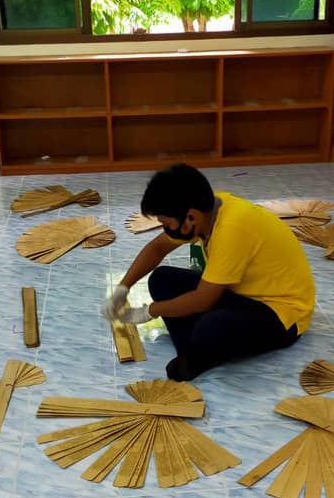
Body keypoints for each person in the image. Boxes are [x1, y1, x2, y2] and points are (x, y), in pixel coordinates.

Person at [103, 163, 316, 381]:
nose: (166, 229)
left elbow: (202, 300)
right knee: (161, 279)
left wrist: (149, 311)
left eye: (167, 223)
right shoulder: (207, 210)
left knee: (212, 325)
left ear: (191, 217)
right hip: (242, 295)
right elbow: (157, 249)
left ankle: (199, 349)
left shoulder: (232, 228)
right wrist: (123, 288)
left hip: (282, 314)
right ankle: (200, 346)